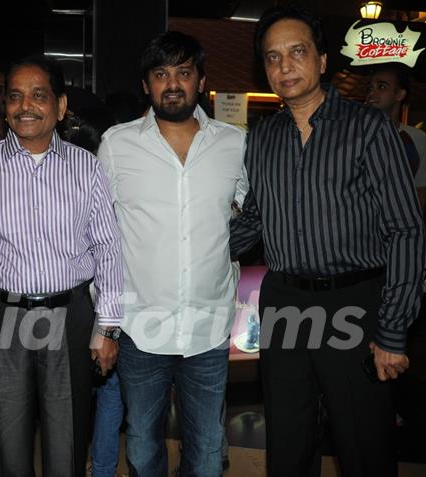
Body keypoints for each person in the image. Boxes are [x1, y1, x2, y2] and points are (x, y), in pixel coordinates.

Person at [229, 5, 424, 476]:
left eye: (297, 52)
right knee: (289, 439)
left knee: (364, 443)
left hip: (353, 301)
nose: (284, 66)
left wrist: (392, 331)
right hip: (283, 301)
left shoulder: (368, 129)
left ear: (321, 61)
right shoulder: (263, 138)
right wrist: (187, 247)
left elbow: (406, 228)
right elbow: (255, 221)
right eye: (273, 58)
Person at [0, 55, 123, 477]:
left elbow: (109, 247)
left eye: (38, 95)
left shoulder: (87, 167)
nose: (25, 105)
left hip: (71, 316)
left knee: (66, 445)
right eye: (15, 96)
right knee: (7, 446)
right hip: (2, 316)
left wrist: (108, 327)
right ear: (4, 106)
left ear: (60, 107)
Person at [97, 31, 248, 476]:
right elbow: (100, 234)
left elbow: (243, 215)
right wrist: (106, 317)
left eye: (184, 72)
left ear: (201, 79)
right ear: (146, 84)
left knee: (206, 457)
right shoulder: (117, 144)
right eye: (161, 74)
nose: (173, 84)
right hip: (141, 326)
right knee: (143, 451)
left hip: (209, 325)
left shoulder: (233, 143)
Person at [61, 107, 124, 477]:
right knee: (107, 390)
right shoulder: (106, 169)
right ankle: (99, 468)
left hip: (87, 300)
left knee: (86, 393)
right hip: (101, 298)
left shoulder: (78, 173)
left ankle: (95, 466)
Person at [365, 64, 426, 213]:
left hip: (397, 227)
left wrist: (413, 230)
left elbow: (420, 190)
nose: (372, 93)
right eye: (370, 88)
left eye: (381, 87)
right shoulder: (353, 134)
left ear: (399, 95)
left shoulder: (417, 138)